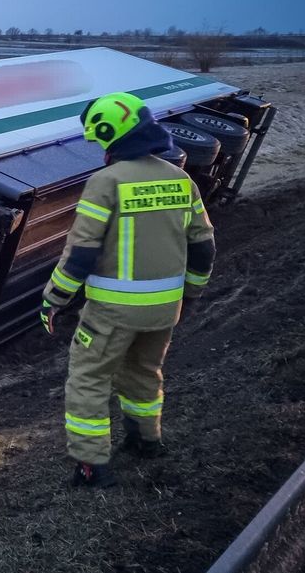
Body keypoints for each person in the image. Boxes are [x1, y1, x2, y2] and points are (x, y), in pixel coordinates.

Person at [40, 92, 216, 487]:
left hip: (112, 312)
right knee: (144, 372)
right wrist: (191, 295)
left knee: (88, 378)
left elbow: (80, 255)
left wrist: (54, 299)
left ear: (109, 135)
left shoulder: (106, 183)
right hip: (165, 310)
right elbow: (204, 246)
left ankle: (91, 467)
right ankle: (146, 440)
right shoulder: (179, 178)